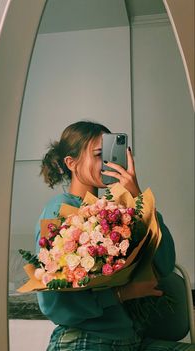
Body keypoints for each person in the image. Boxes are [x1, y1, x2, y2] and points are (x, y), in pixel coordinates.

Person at [35, 121, 194, 350]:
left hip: (131, 339)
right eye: (99, 154)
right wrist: (120, 294)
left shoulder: (117, 208)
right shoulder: (59, 209)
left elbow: (165, 263)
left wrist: (138, 197)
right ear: (71, 163)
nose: (107, 163)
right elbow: (54, 303)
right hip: (86, 339)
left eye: (110, 154)